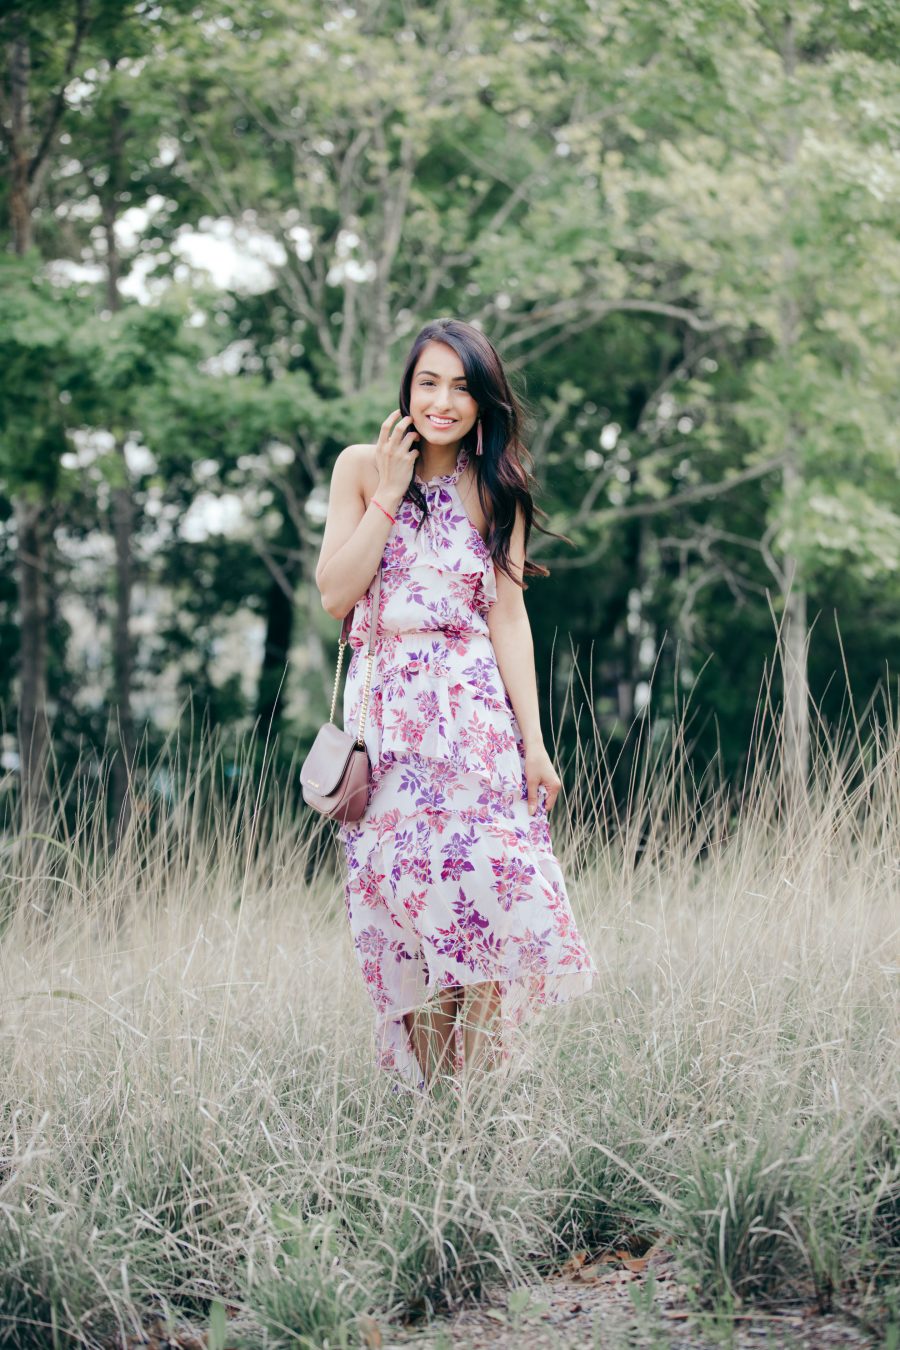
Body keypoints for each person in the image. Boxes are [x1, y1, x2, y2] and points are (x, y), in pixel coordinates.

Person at [315, 317, 596, 1094]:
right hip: (390, 725)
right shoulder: (360, 467)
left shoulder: (497, 487)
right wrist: (391, 492)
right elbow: (335, 593)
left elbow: (509, 618)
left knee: (486, 908)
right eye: (428, 383)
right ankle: (434, 1108)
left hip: (475, 724)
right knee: (408, 915)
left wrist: (534, 743)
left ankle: (481, 1105)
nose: (442, 402)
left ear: (483, 401)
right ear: (407, 388)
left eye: (462, 388)